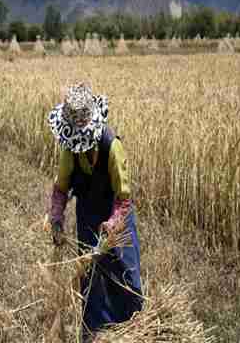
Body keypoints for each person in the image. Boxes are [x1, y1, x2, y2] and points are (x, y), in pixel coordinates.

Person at [46, 83, 142, 342]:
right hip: (88, 215)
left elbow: (124, 199)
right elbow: (60, 188)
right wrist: (56, 219)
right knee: (91, 278)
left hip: (116, 219)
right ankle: (95, 335)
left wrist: (113, 224)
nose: (81, 147)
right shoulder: (70, 150)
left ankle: (133, 329)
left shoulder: (112, 146)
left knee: (126, 273)